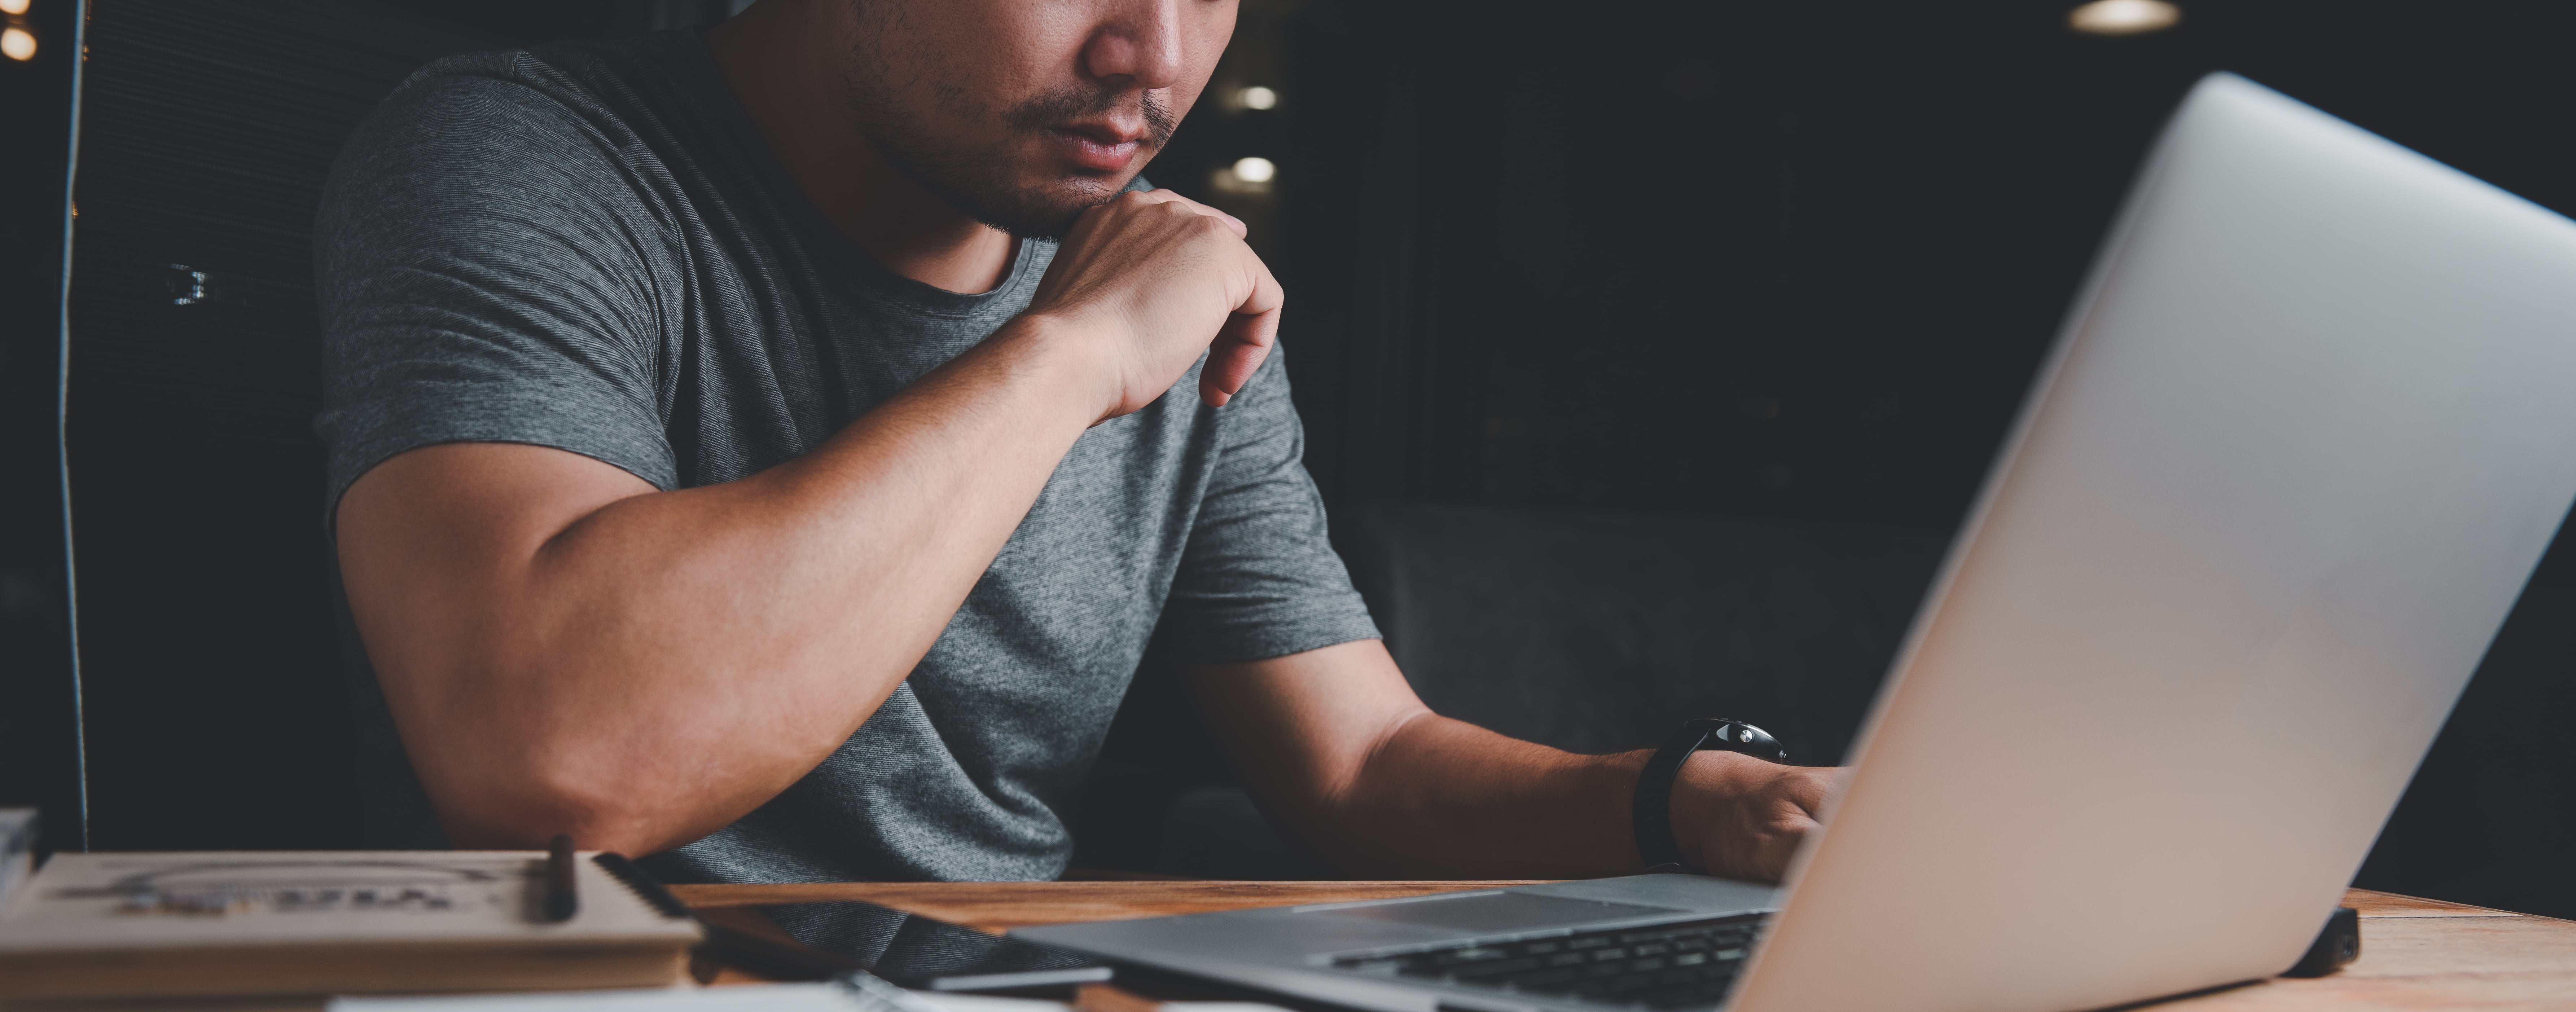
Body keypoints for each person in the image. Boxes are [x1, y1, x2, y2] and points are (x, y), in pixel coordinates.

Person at [317, 0, 1831, 885]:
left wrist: (1678, 800)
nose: (1153, 55)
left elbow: (1360, 764)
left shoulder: (1157, 285)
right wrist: (1072, 359)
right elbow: (560, 763)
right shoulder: (528, 156)